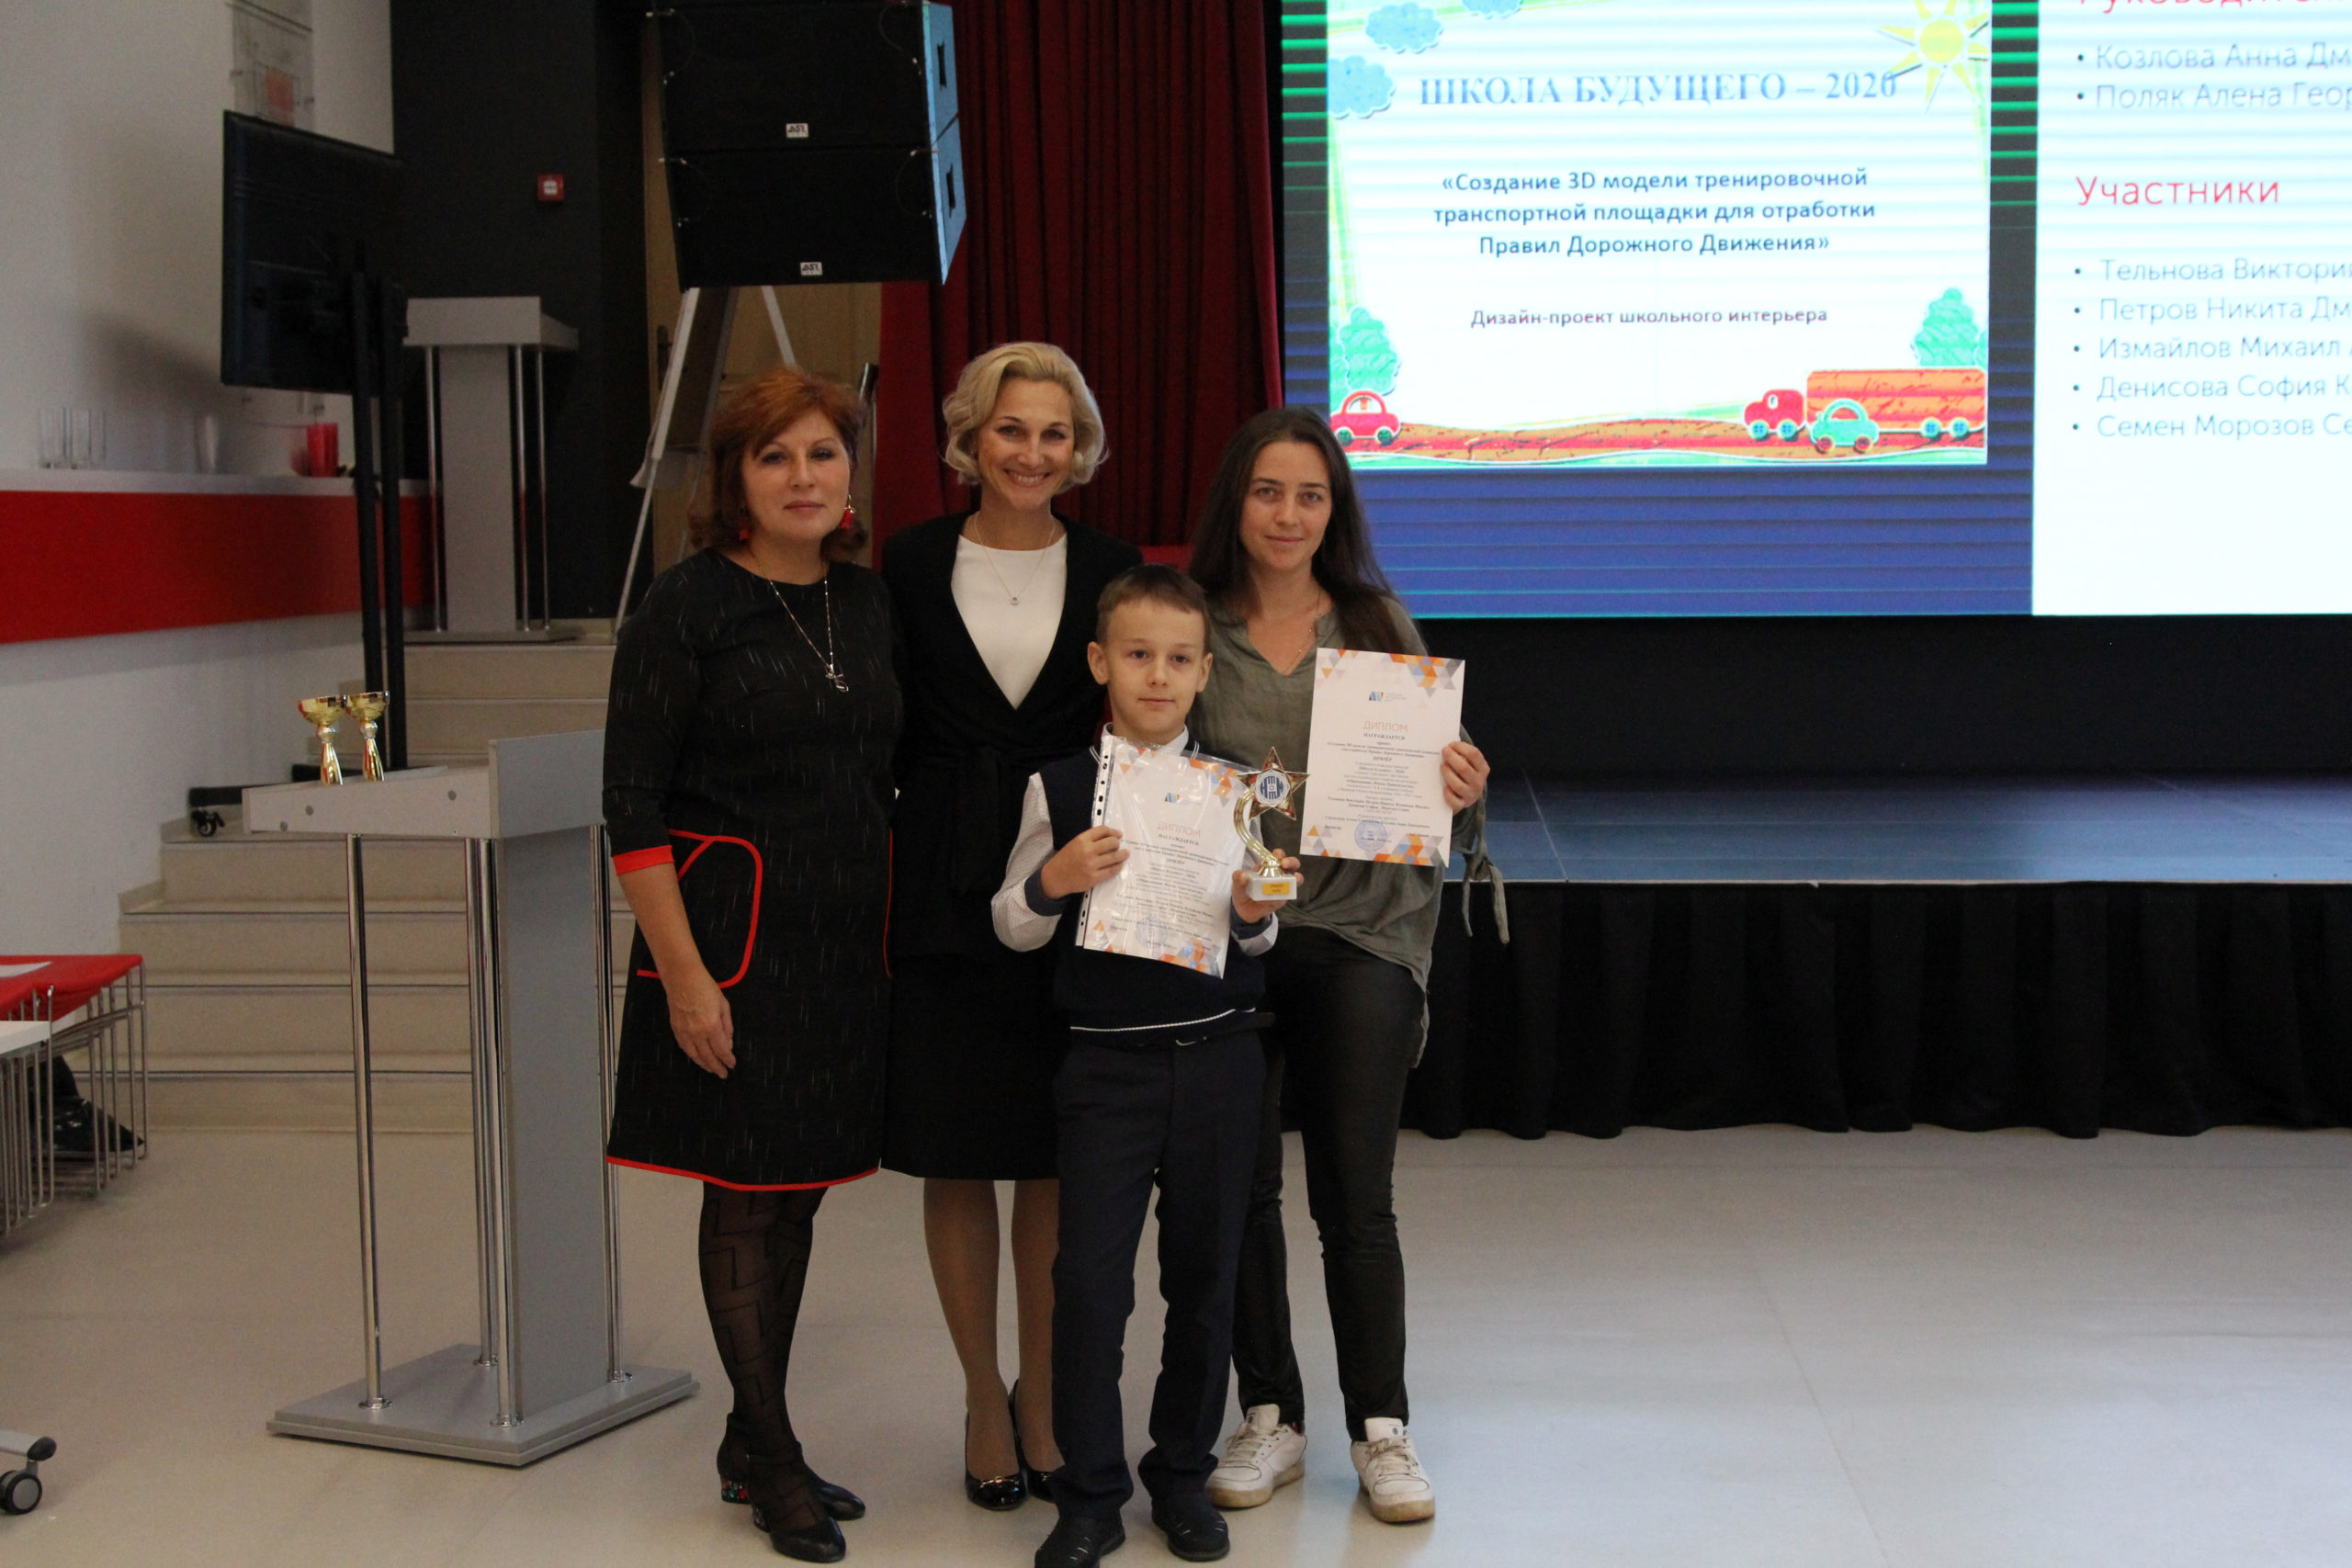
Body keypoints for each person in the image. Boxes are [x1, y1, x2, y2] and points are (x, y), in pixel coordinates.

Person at [603, 367, 899, 1564]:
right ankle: (770, 1453)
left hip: (841, 947)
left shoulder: (867, 603)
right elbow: (630, 806)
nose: (802, 477)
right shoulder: (684, 606)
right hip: (726, 945)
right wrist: (683, 976)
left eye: (822, 453)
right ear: (734, 477)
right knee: (742, 1191)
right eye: (775, 456)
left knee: (800, 1187)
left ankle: (750, 1430)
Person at [1188, 407, 1491, 1527]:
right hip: (1226, 931)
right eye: (1267, 491)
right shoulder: (1188, 621)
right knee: (1238, 1190)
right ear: (1237, 500)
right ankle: (1268, 1414)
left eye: (1309, 495)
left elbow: (1429, 802)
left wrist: (1459, 786)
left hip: (1359, 931)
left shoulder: (1373, 622)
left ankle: (1381, 1429)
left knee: (1355, 1198)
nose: (1287, 514)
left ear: (1335, 510)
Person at [993, 566, 1298, 1568]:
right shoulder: (1059, 787)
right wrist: (1054, 879)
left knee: (1204, 1280)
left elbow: (1257, 934)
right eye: (1137, 655)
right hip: (1106, 1073)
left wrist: (1253, 911)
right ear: (1099, 662)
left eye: (1177, 659)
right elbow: (1011, 923)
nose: (1157, 677)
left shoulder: (1234, 788)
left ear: (1205, 671)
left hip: (1220, 1060)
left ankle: (1179, 1478)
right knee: (1088, 1286)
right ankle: (1089, 1496)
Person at [880, 344, 1141, 1507]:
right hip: (941, 875)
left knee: (1050, 1153)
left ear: (1078, 449)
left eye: (1053, 432)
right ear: (970, 438)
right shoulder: (908, 560)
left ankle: (1041, 1395)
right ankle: (981, 1394)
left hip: (1071, 869)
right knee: (955, 1148)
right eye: (1010, 429)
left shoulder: (1114, 565)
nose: (1031, 452)